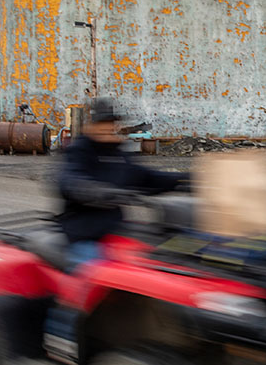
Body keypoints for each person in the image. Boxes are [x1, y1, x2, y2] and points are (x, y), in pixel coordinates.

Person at [56, 97, 189, 266]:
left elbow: (146, 178)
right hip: (84, 234)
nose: (107, 127)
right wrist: (95, 191)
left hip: (115, 232)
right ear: (91, 126)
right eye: (101, 123)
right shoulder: (79, 151)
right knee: (100, 272)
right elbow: (69, 180)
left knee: (155, 260)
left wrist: (183, 180)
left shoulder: (117, 153)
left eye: (110, 123)